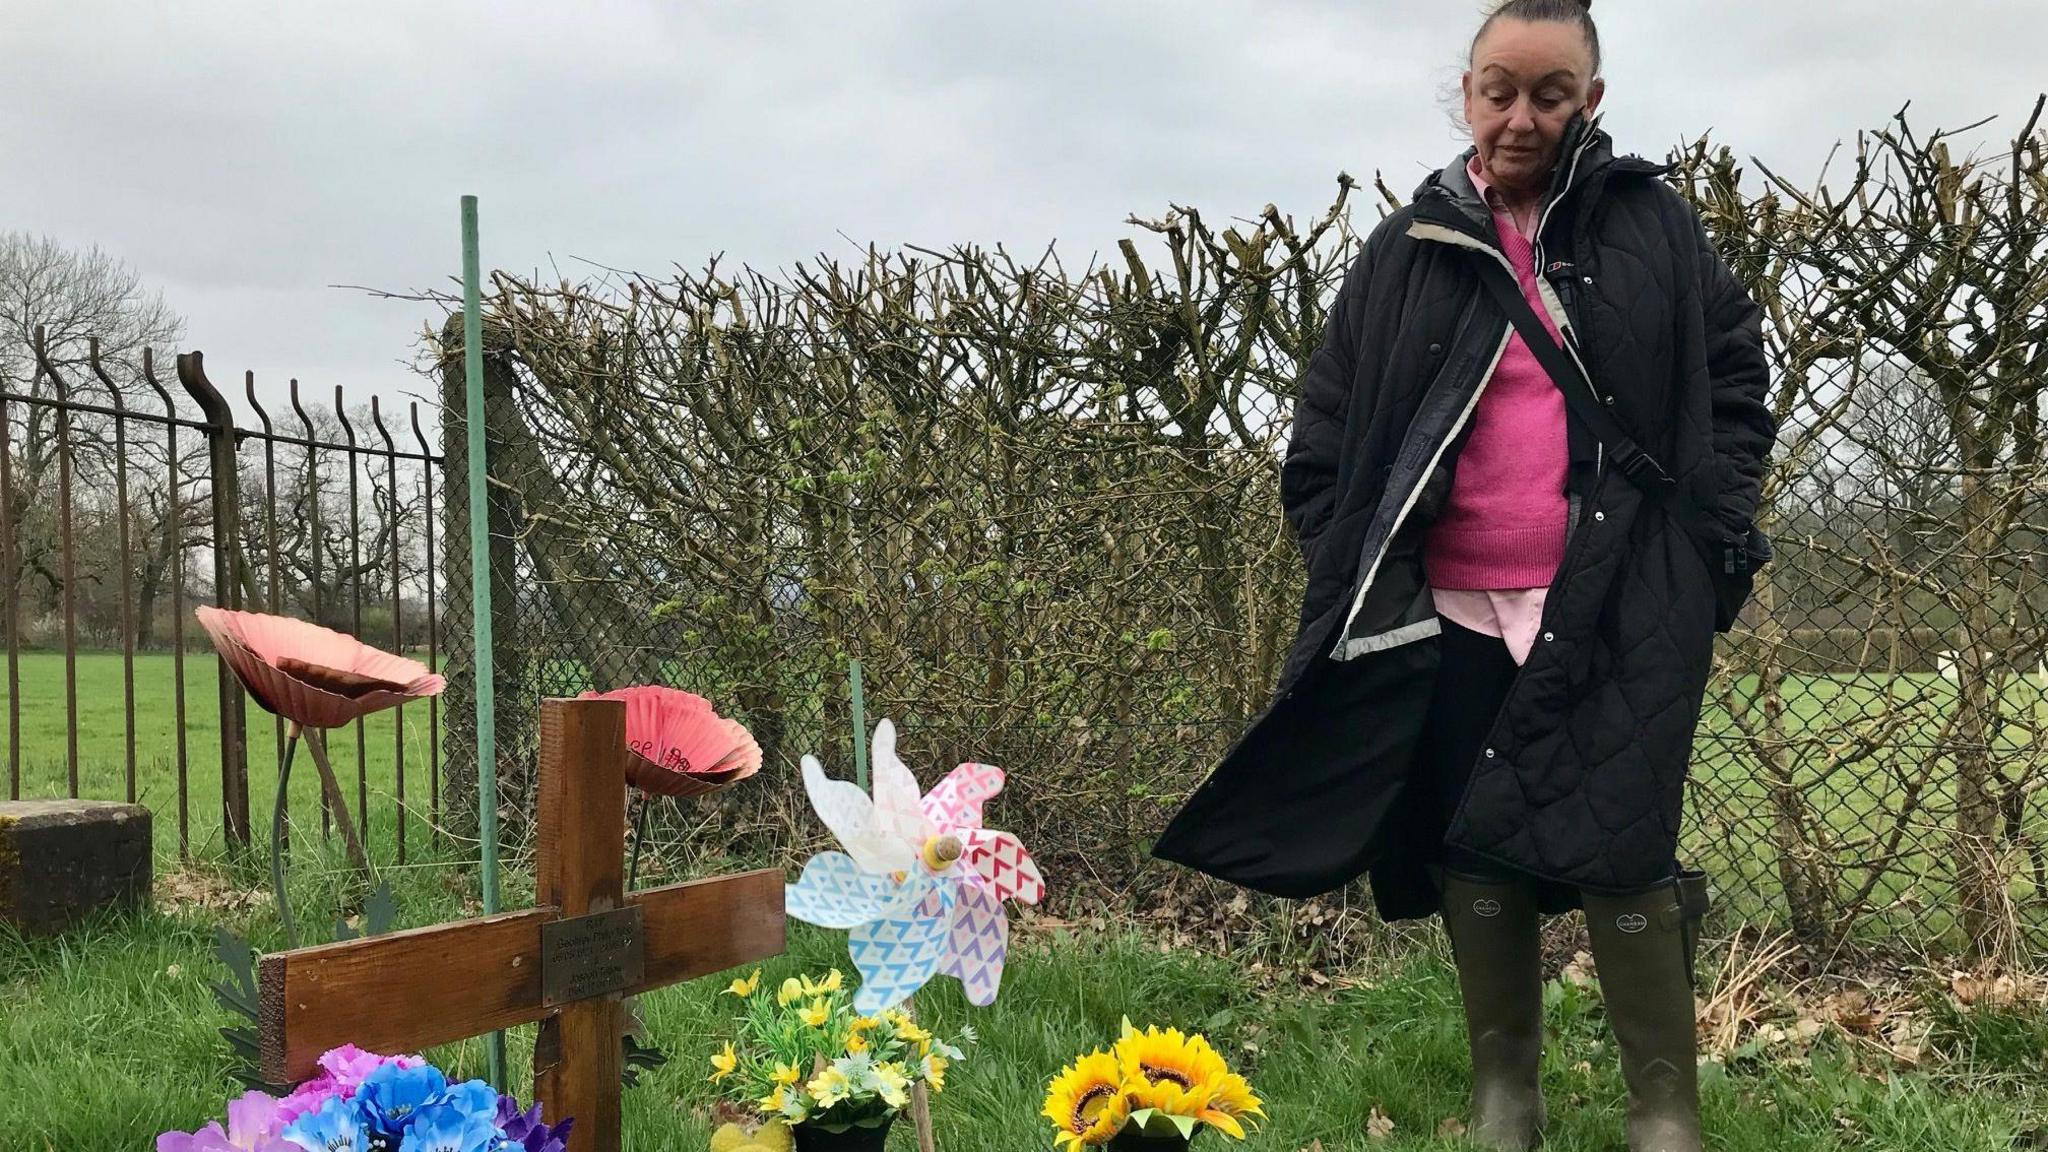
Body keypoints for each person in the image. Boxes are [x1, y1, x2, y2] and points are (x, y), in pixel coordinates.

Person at [1150, 2, 1775, 1149]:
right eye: (1499, 89)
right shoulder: (1406, 246)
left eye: (1549, 93)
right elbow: (1329, 417)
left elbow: (1733, 375)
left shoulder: (1654, 228)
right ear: (1466, 92)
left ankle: (1663, 1112)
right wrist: (1338, 543)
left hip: (1621, 605)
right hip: (1445, 607)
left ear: (1591, 101)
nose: (1520, 116)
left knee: (1622, 843)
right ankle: (1506, 1096)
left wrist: (1707, 537)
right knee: (1467, 837)